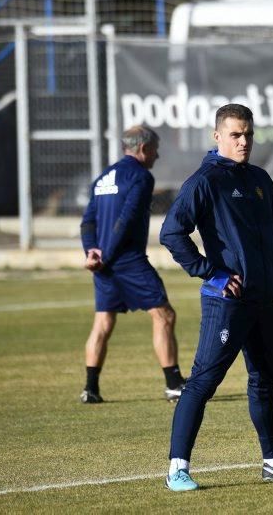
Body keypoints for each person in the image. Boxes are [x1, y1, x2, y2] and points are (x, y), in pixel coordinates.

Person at [160, 103, 273, 492]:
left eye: (248, 133)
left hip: (265, 301)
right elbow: (171, 233)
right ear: (217, 137)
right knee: (202, 382)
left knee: (265, 381)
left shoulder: (260, 179)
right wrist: (209, 272)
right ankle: (177, 469)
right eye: (235, 134)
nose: (243, 141)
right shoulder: (205, 181)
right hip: (227, 303)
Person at [79, 125, 186, 404]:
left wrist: (92, 253)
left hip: (102, 264)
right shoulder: (140, 176)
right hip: (126, 260)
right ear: (143, 148)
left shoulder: (102, 178)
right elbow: (126, 220)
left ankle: (90, 389)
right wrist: (108, 255)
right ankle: (174, 384)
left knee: (103, 322)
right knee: (164, 315)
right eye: (155, 149)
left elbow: (88, 221)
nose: (157, 155)